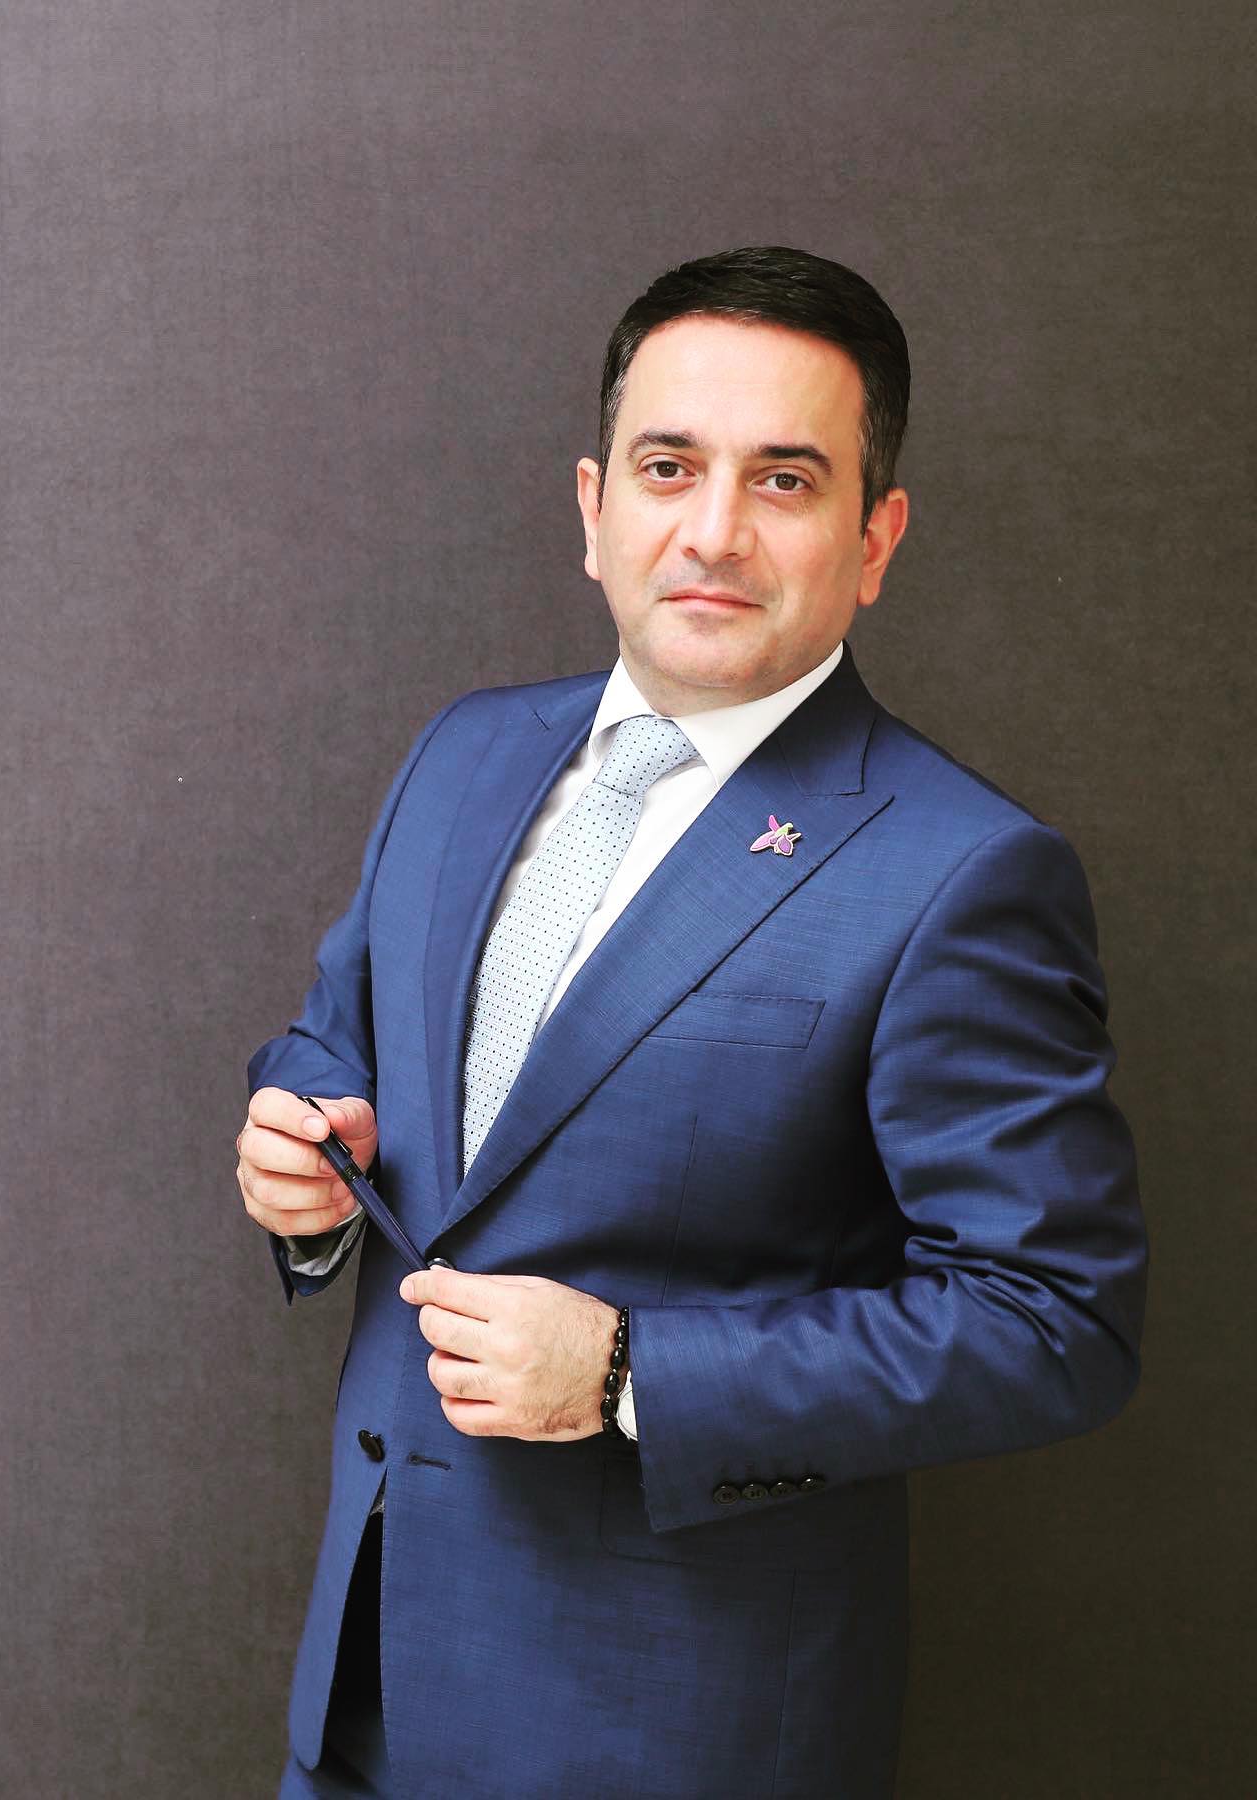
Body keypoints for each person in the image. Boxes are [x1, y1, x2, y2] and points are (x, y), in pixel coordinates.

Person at [236, 246, 1146, 1799]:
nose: (714, 530)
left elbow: (1057, 1321)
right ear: (595, 508)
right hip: (370, 1689)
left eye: (785, 480)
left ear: (876, 538)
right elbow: (341, 1041)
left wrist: (629, 1374)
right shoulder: (463, 753)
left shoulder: (962, 871)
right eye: (670, 468)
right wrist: (306, 1157)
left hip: (671, 1734)